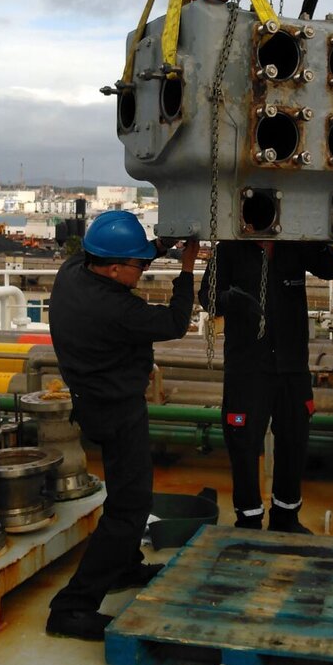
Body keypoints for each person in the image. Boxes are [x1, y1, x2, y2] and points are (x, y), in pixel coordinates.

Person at [45, 210, 200, 640]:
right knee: (130, 507)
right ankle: (72, 607)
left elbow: (122, 255)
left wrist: (158, 247)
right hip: (117, 411)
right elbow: (175, 323)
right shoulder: (117, 309)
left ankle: (124, 567)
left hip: (92, 403)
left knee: (123, 494)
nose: (144, 270)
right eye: (140, 266)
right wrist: (186, 268)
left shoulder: (73, 271)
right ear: (114, 269)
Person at [199, 239, 333, 533]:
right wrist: (230, 300)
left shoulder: (296, 245)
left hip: (291, 364)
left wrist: (313, 236)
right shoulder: (230, 247)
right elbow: (207, 297)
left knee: (294, 439)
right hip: (247, 365)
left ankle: (286, 516)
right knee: (243, 442)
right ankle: (249, 519)